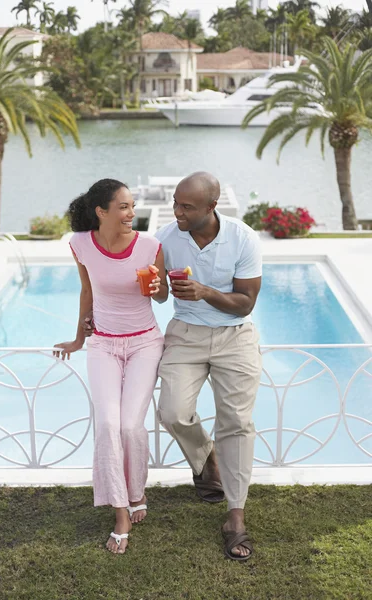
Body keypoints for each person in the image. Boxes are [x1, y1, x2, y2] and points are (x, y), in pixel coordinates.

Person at [54, 179, 168, 556]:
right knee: (106, 425)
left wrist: (156, 289)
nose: (131, 213)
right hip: (103, 343)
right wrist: (78, 338)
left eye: (132, 206)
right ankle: (120, 510)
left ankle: (136, 491)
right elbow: (86, 291)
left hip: (144, 343)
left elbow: (163, 293)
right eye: (123, 207)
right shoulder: (81, 244)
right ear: (100, 211)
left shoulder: (150, 246)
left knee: (131, 425)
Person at [154, 172, 262, 562]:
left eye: (187, 207)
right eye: (176, 204)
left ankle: (235, 514)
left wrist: (205, 292)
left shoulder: (243, 238)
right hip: (186, 334)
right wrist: (157, 288)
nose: (178, 212)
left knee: (236, 422)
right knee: (173, 412)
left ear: (211, 207)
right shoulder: (166, 238)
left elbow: (246, 302)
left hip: (235, 335)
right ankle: (207, 459)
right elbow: (162, 294)